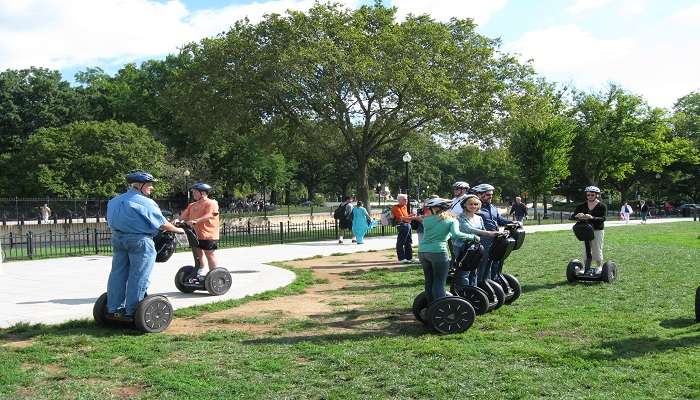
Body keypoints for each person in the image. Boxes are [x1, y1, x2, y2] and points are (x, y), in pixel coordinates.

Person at [106, 172, 184, 319]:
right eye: (149, 185)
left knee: (117, 273)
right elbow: (162, 224)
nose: (152, 187)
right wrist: (178, 229)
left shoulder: (114, 201)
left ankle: (113, 308)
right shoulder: (145, 202)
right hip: (140, 241)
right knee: (139, 275)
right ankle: (133, 311)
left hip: (118, 239)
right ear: (139, 185)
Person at [416, 198, 475, 305]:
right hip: (438, 252)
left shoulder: (426, 220)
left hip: (423, 252)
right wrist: (472, 237)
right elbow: (456, 234)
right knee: (439, 282)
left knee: (429, 281)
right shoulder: (452, 220)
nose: (429, 210)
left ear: (436, 208)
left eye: (431, 208)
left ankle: (431, 307)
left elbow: (435, 231)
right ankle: (441, 308)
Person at [452, 194, 502, 288]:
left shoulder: (479, 218)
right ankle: (464, 291)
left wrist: (497, 233)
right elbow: (468, 229)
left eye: (475, 204)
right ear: (465, 205)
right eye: (470, 204)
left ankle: (474, 290)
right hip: (462, 247)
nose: (473, 206)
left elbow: (482, 230)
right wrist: (489, 233)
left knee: (474, 271)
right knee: (464, 271)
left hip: (475, 247)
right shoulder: (460, 218)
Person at [176, 182, 220, 280]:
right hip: (195, 234)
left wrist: (196, 220)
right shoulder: (192, 205)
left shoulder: (211, 203)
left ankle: (214, 275)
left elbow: (210, 215)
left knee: (209, 254)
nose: (193, 194)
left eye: (195, 192)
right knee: (197, 253)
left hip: (209, 234)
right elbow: (183, 216)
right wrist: (177, 221)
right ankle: (201, 270)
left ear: (203, 193)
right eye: (193, 193)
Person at [472, 183, 513, 282]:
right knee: (484, 263)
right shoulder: (475, 208)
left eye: (491, 194)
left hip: (495, 238)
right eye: (488, 194)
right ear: (479, 194)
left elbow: (499, 220)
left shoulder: (492, 207)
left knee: (496, 261)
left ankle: (492, 281)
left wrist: (512, 222)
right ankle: (481, 284)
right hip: (483, 239)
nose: (491, 196)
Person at [569, 185, 607, 272]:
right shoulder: (582, 206)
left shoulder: (601, 206)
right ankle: (586, 267)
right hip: (585, 229)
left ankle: (599, 267)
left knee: (597, 248)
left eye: (592, 195)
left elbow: (603, 218)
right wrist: (577, 216)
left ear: (597, 195)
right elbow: (572, 217)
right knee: (586, 249)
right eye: (588, 195)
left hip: (597, 230)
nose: (590, 196)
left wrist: (592, 217)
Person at [392, 194, 417, 263]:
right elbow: (402, 218)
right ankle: (401, 258)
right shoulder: (395, 207)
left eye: (406, 199)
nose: (407, 201)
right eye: (405, 199)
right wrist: (412, 218)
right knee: (401, 241)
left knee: (408, 242)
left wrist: (410, 216)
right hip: (402, 226)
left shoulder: (404, 207)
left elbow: (405, 217)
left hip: (407, 225)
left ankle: (409, 257)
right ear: (399, 200)